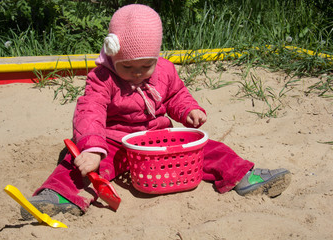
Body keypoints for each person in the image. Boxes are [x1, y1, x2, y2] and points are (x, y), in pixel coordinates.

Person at [21, 4, 291, 219]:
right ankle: (59, 195)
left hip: (158, 138)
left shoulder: (164, 69)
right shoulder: (102, 78)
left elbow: (175, 95)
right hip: (116, 141)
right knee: (79, 163)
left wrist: (189, 110)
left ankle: (243, 175)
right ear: (113, 55)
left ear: (156, 57)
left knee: (208, 148)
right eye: (127, 67)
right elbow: (89, 111)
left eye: (145, 66)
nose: (137, 73)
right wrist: (92, 148)